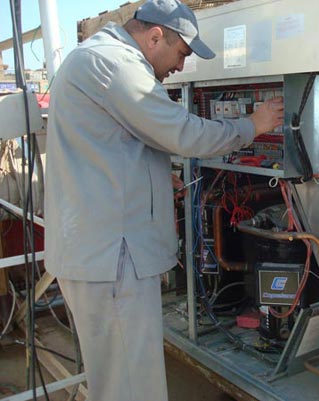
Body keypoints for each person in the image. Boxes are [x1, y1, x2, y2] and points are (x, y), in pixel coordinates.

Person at [44, 0, 284, 400]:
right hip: (112, 258)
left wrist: (153, 177)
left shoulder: (95, 56)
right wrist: (252, 124)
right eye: (182, 53)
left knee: (116, 376)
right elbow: (184, 134)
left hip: (97, 251)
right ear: (155, 36)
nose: (181, 66)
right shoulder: (117, 65)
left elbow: (109, 147)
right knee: (131, 384)